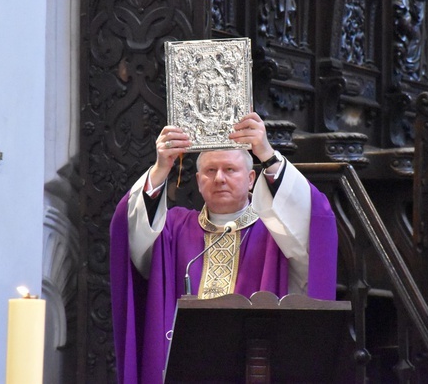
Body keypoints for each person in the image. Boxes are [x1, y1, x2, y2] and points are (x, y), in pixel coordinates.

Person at [109, 112, 338, 384]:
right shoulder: (173, 228)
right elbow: (129, 232)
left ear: (251, 178)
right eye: (210, 170)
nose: (219, 178)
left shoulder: (275, 231)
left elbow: (316, 221)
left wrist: (267, 154)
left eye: (230, 170)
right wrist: (161, 169)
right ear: (197, 180)